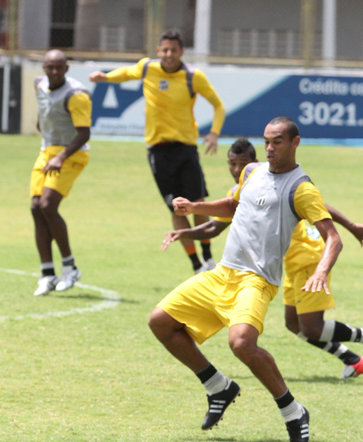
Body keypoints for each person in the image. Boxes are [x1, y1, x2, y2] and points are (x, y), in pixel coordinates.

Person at [148, 117, 341, 442]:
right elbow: (232, 205)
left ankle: (293, 411)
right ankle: (217, 386)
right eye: (266, 141)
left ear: (295, 143)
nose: (270, 148)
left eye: (278, 141)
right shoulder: (252, 172)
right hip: (222, 273)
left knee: (241, 343)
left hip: (256, 280)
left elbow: (333, 238)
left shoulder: (301, 188)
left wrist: (322, 270)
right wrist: (195, 207)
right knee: (160, 322)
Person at [162, 138, 363, 379]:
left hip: (308, 256)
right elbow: (216, 227)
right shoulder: (240, 190)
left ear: (255, 163)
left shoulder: (275, 182)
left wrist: (349, 225)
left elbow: (317, 204)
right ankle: (352, 359)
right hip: (288, 264)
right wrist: (186, 231)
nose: (236, 169)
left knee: (312, 326)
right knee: (293, 324)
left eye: (242, 164)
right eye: (232, 163)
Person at [89, 28, 225, 274]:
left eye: (174, 50)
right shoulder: (147, 68)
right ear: (158, 50)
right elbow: (126, 74)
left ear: (182, 52)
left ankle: (208, 256)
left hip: (186, 148)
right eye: (165, 50)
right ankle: (196, 265)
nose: (169, 54)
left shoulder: (193, 77)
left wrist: (214, 133)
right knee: (176, 207)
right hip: (158, 152)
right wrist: (105, 77)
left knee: (198, 204)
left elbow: (218, 106)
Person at [30, 49, 92, 296]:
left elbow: (84, 133)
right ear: (43, 68)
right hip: (46, 151)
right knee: (36, 208)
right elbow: (44, 113)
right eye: (49, 67)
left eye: (59, 67)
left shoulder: (77, 95)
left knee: (47, 205)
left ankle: (70, 267)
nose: (54, 72)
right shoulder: (39, 84)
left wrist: (61, 156)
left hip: (72, 153)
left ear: (67, 68)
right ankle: (47, 275)